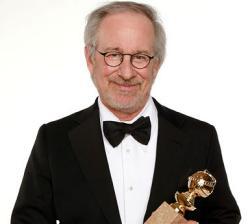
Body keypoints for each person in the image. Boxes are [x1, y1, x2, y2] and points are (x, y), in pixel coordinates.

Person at [11, 1, 241, 224]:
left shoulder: (200, 137)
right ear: (91, 59)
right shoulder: (54, 140)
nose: (127, 72)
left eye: (140, 57)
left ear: (156, 64)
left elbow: (225, 217)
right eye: (113, 54)